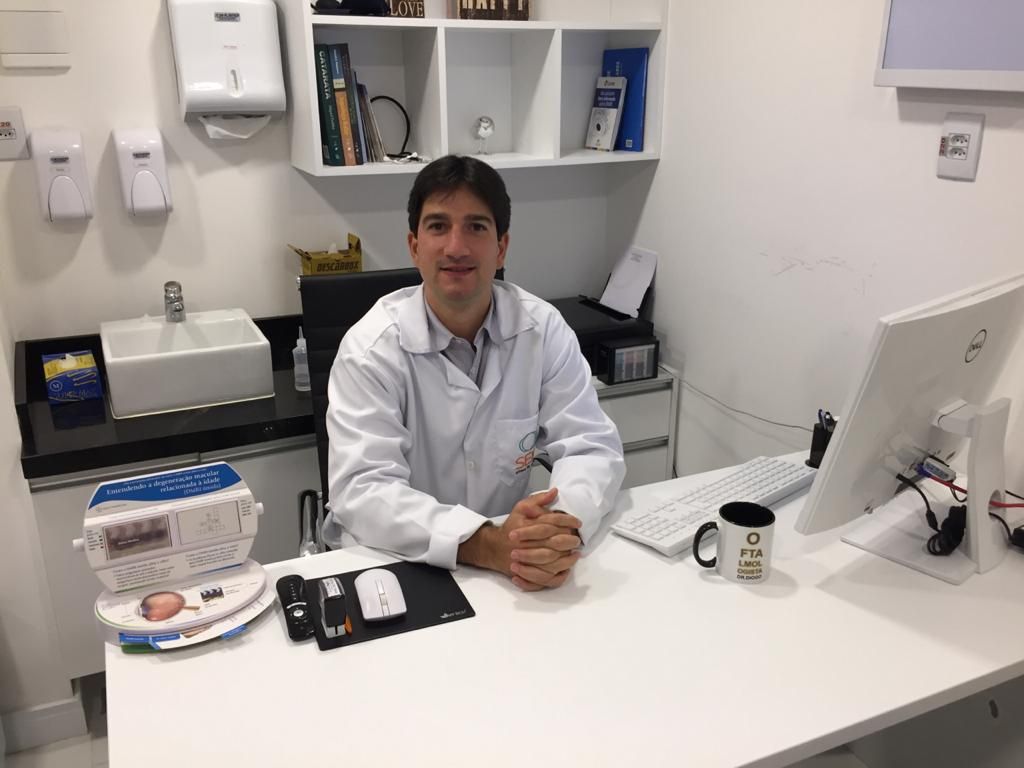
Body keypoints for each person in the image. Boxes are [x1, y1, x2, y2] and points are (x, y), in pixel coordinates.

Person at [322, 155, 625, 591]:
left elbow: (591, 446)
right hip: (394, 563)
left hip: (509, 562)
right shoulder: (370, 350)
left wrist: (559, 527)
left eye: (476, 227)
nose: (456, 247)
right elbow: (364, 491)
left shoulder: (541, 330)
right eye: (438, 226)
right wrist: (485, 544)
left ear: (501, 247)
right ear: (414, 246)